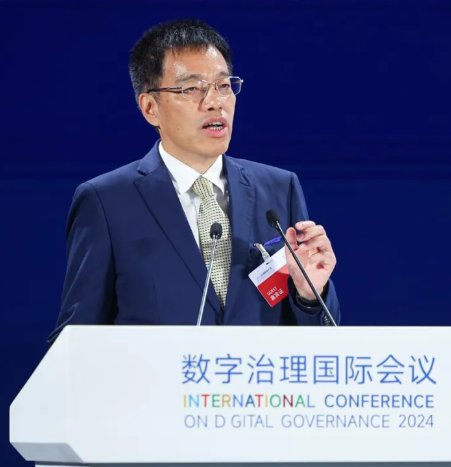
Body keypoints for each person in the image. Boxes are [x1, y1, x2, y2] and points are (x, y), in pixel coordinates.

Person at [47, 18, 340, 345]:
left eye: (223, 85)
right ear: (150, 108)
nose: (215, 102)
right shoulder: (106, 201)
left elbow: (319, 340)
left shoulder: (279, 189)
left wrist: (309, 294)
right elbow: (74, 340)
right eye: (191, 89)